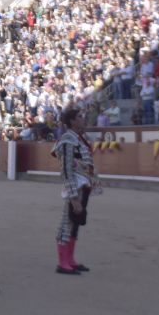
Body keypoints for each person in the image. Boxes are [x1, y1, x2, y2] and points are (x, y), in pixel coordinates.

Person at [51, 107, 101, 275]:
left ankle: (70, 260)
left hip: (83, 185)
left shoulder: (78, 138)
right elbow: (66, 169)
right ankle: (62, 262)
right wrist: (73, 197)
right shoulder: (67, 139)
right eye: (80, 116)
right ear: (72, 120)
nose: (83, 118)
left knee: (75, 223)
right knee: (67, 223)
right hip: (75, 186)